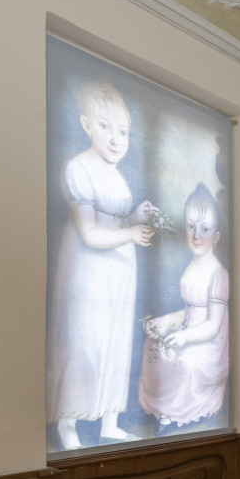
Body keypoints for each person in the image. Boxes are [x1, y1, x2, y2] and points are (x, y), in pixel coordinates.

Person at [46, 81, 156, 451]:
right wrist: (130, 233)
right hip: (89, 270)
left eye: (123, 131)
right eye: (105, 127)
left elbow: (116, 221)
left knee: (115, 341)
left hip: (120, 271)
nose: (115, 139)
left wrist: (135, 217)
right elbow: (91, 233)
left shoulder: (116, 173)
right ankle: (68, 423)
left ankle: (110, 421)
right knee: (85, 342)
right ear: (85, 124)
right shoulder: (78, 168)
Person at [138, 184, 230, 432]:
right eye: (190, 226)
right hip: (188, 329)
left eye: (205, 229)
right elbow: (188, 311)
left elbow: (212, 326)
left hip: (208, 345)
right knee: (153, 346)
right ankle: (164, 410)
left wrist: (184, 337)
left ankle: (174, 413)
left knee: (181, 361)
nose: (196, 236)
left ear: (216, 237)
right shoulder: (191, 266)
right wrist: (165, 321)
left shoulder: (218, 274)